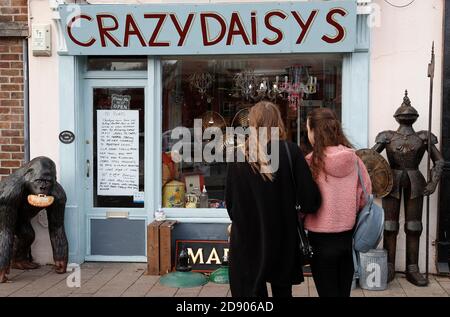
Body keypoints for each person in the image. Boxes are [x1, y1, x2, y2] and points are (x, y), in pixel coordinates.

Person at [225, 101, 321, 297]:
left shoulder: (238, 155)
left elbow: (231, 206)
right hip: (282, 237)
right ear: (278, 122)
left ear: (252, 124)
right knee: (282, 291)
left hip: (247, 239)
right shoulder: (290, 151)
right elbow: (310, 200)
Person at [304, 108, 372, 297]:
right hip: (347, 238)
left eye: (308, 129)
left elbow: (303, 200)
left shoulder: (310, 163)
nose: (307, 134)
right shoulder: (354, 159)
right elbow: (365, 196)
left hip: (319, 241)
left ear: (315, 132)